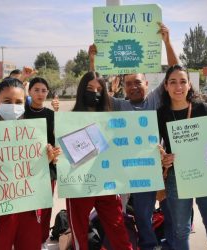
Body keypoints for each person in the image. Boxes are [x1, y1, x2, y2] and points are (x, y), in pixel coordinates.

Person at [88, 23, 178, 250]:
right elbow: (96, 91)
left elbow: (175, 71)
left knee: (170, 211)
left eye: (138, 82)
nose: (133, 87)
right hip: (132, 170)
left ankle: (172, 244)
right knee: (141, 213)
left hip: (159, 166)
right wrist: (92, 61)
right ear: (124, 88)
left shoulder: (156, 100)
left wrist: (167, 43)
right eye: (129, 84)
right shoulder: (119, 105)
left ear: (147, 84)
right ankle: (148, 245)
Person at [0, 77, 61, 250]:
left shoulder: (32, 134)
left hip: (28, 210)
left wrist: (47, 160)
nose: (13, 106)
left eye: (18, 102)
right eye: (7, 101)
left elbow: (34, 170)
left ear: (24, 103)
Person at [157, 64, 207, 250]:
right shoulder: (161, 114)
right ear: (165, 86)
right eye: (173, 82)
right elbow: (152, 147)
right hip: (176, 178)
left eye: (182, 81)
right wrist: (162, 157)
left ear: (189, 85)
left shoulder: (202, 109)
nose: (178, 86)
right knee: (180, 232)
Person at [66, 71, 133, 250]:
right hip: (79, 185)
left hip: (106, 184)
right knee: (79, 233)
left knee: (118, 229)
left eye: (99, 89)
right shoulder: (68, 119)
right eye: (90, 88)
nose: (95, 92)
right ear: (81, 90)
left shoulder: (111, 118)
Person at [24, 77, 56, 249]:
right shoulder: (21, 113)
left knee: (45, 207)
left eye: (44, 90)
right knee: (27, 207)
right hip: (24, 169)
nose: (40, 93)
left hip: (47, 168)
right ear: (29, 92)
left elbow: (57, 141)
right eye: (36, 90)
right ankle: (27, 237)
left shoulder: (52, 115)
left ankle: (42, 239)